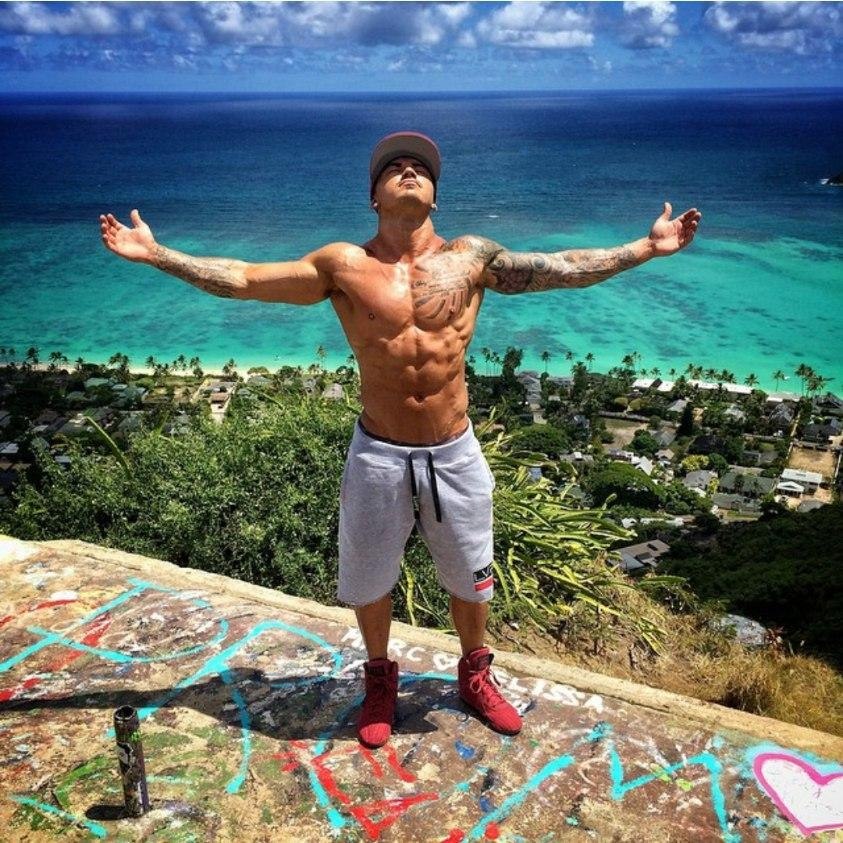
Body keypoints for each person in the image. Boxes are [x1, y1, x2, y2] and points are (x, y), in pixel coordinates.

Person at [100, 131, 701, 749]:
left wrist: (645, 248)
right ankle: (380, 679)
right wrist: (158, 254)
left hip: (454, 450)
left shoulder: (472, 258)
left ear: (435, 197)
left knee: (470, 575)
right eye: (395, 167)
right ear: (375, 197)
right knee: (370, 577)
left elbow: (564, 268)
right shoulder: (342, 266)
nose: (409, 170)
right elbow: (246, 278)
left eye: (421, 167)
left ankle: (474, 675)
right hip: (379, 452)